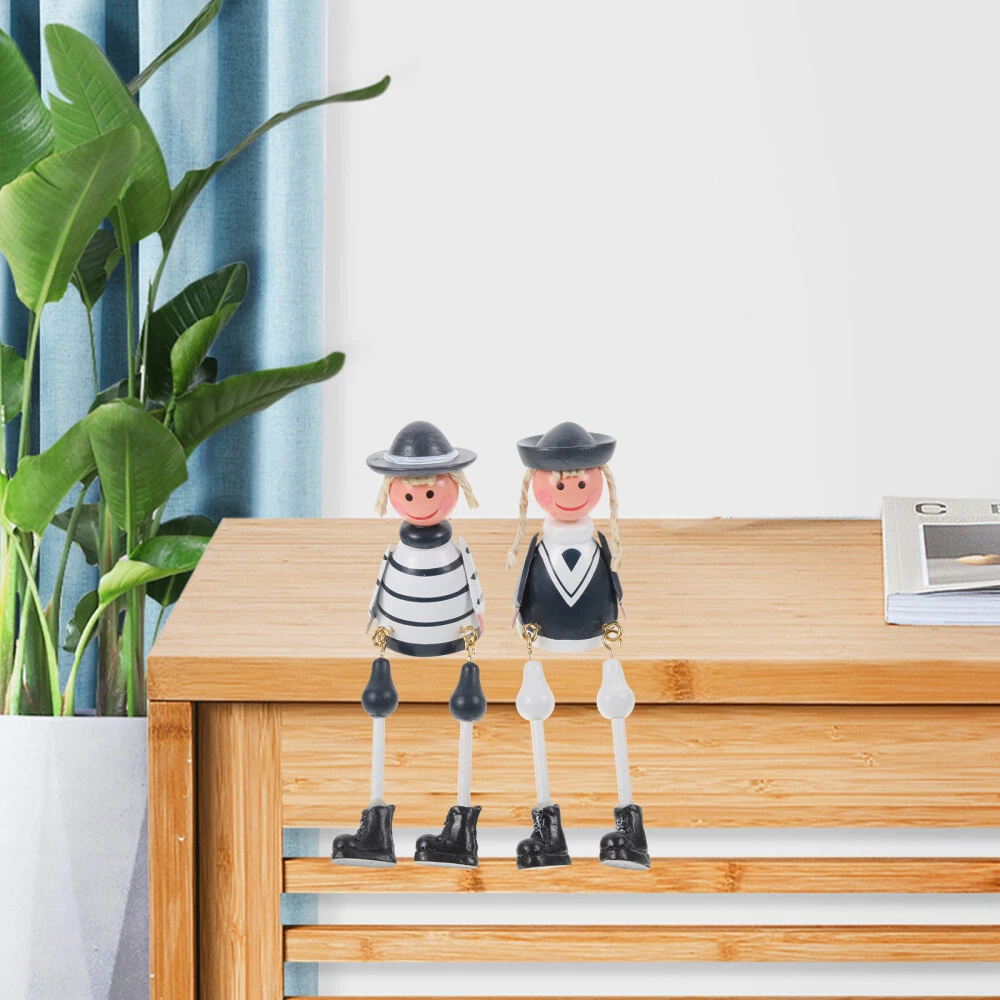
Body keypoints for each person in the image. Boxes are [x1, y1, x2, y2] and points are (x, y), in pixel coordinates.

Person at [331, 421, 486, 868]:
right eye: (411, 493)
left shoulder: (455, 552)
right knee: (385, 709)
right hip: (398, 639)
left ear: (452, 488)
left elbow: (473, 589)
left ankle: (456, 834)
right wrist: (376, 620)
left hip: (451, 640)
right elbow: (383, 585)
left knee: (458, 713)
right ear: (393, 492)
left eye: (431, 492)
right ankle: (379, 832)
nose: (420, 501)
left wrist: (475, 622)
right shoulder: (398, 552)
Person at [506, 421, 650, 870]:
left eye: (581, 482)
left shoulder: (598, 544)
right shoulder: (541, 546)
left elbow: (613, 584)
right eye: (560, 483)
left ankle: (631, 834)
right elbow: (525, 585)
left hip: (598, 636)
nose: (569, 492)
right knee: (538, 714)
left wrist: (614, 616)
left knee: (614, 709)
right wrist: (522, 618)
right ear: (539, 485)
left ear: (598, 483)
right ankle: (550, 835)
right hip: (544, 638)